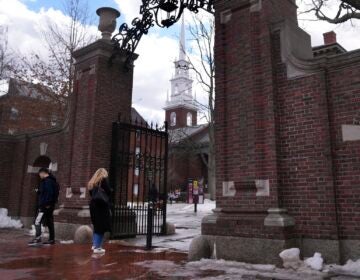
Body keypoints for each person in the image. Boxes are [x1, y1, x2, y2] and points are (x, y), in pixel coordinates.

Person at [28, 167, 58, 246]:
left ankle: (37, 238)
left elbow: (50, 193)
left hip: (45, 206)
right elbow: (45, 192)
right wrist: (38, 191)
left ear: (43, 173)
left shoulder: (47, 181)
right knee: (49, 222)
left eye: (40, 174)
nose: (39, 176)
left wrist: (47, 204)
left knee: (37, 221)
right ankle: (51, 239)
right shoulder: (51, 181)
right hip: (49, 205)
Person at [88, 168, 112, 254]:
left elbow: (91, 194)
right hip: (101, 206)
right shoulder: (103, 180)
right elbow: (108, 191)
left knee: (96, 225)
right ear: (103, 173)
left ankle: (94, 244)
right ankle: (97, 247)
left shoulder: (93, 182)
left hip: (93, 206)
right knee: (101, 227)